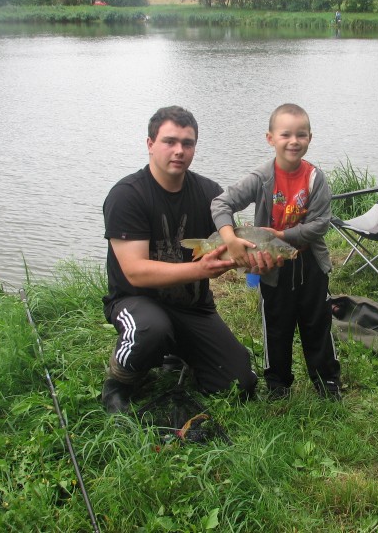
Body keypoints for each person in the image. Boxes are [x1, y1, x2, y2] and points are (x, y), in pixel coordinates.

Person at [101, 105, 274, 414]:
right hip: (135, 300)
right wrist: (198, 269)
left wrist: (246, 259)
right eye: (170, 141)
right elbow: (135, 273)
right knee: (149, 330)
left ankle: (175, 352)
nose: (179, 150)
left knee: (240, 384)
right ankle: (119, 381)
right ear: (150, 144)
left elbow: (223, 257)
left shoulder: (210, 194)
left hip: (193, 306)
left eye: (188, 143)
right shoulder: (127, 195)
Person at [211, 103, 341, 400]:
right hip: (272, 266)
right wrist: (229, 238)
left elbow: (321, 224)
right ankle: (278, 384)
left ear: (310, 137)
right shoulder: (261, 177)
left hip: (310, 263)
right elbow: (221, 204)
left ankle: (327, 381)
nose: (293, 141)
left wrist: (283, 234)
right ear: (270, 138)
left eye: (301, 134)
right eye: (285, 135)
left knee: (317, 323)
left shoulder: (315, 179)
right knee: (277, 324)